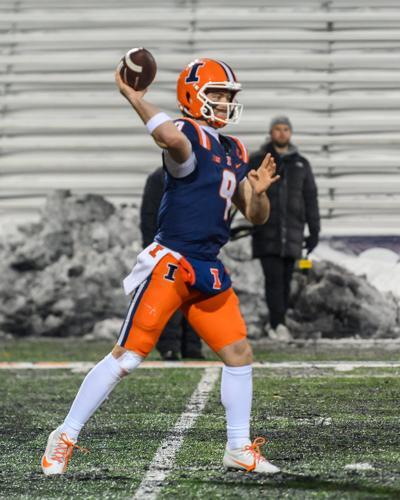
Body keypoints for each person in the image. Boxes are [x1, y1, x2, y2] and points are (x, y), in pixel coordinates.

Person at [41, 58, 281, 476]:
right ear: (193, 95)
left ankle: (239, 447)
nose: (225, 102)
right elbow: (169, 138)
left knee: (239, 354)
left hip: (207, 266)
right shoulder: (187, 134)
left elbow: (256, 215)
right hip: (172, 262)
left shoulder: (234, 149)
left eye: (228, 96)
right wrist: (135, 98)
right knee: (127, 356)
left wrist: (258, 192)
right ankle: (64, 435)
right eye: (217, 94)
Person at [250, 115, 320, 341]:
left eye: (285, 129)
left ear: (290, 133)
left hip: (293, 233)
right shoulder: (258, 160)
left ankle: (278, 322)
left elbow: (310, 198)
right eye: (277, 129)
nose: (282, 133)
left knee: (286, 281)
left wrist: (314, 231)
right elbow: (245, 192)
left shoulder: (301, 164)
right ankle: (277, 324)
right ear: (271, 132)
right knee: (273, 280)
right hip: (266, 232)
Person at [140, 166, 203, 360]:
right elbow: (149, 217)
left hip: (194, 248)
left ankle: (192, 346)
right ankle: (169, 346)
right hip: (167, 249)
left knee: (194, 297)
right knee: (169, 300)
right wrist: (154, 250)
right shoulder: (158, 178)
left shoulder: (200, 176)